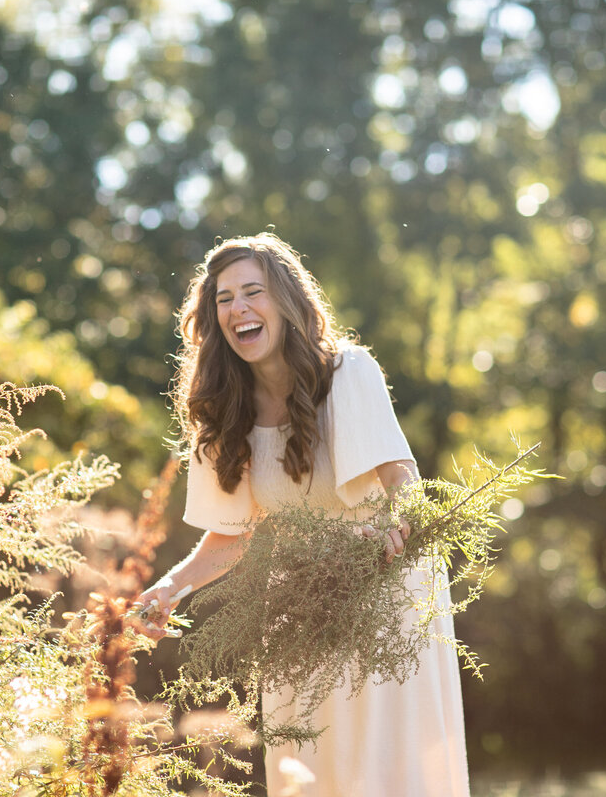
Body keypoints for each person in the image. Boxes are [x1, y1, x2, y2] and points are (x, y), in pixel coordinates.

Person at [135, 233, 469, 797]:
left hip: (384, 596)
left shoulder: (349, 372)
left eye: (252, 292)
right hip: (301, 605)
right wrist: (167, 588)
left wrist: (394, 524)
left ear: (286, 301)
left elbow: (400, 479)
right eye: (224, 299)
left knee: (389, 767)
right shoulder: (224, 412)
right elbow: (235, 535)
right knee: (316, 768)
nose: (238, 308)